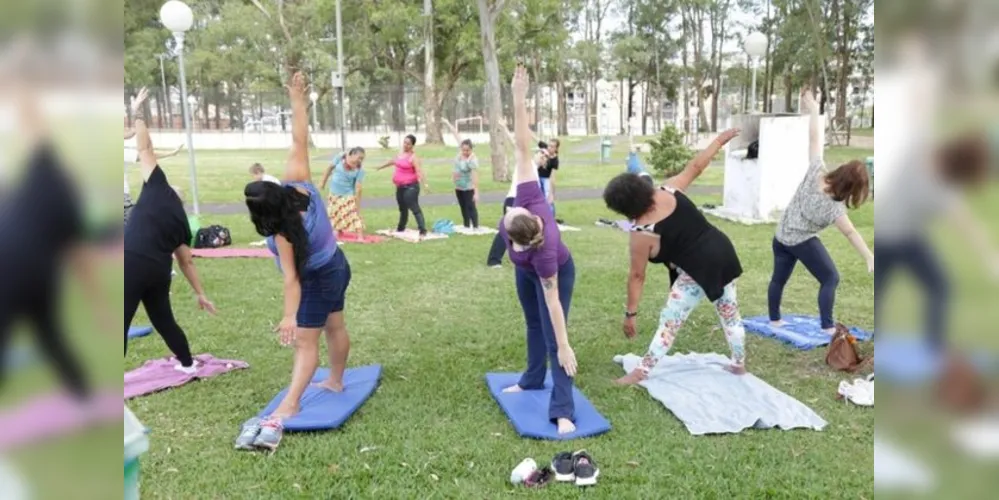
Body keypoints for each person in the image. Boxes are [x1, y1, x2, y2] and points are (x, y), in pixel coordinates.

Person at [240, 72, 353, 451]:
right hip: (338, 265)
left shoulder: (281, 236)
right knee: (335, 325)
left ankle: (292, 401)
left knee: (306, 343)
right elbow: (299, 137)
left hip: (320, 277)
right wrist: (297, 99)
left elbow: (292, 280)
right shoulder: (299, 184)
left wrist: (290, 317)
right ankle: (335, 380)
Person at [604, 127, 746, 385]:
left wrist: (630, 314)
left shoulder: (641, 233)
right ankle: (739, 364)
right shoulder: (668, 189)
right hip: (723, 251)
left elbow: (637, 276)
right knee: (730, 313)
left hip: (696, 269)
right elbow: (696, 166)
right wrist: (718, 141)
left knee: (670, 321)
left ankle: (641, 371)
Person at [0, 85, 113, 403]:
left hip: (15, 271)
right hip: (38, 274)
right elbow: (79, 256)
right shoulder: (52, 178)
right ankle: (83, 394)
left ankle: (83, 394)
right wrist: (99, 306)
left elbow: (78, 252)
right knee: (49, 335)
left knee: (41, 334)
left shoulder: (39, 175)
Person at [499, 65, 579, 435]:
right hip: (524, 271)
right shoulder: (527, 197)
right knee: (531, 323)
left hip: (556, 275)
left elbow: (554, 304)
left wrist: (564, 345)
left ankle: (563, 408)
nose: (509, 207)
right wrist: (518, 96)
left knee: (552, 336)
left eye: (509, 213)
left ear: (519, 241)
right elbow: (521, 144)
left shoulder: (545, 255)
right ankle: (532, 379)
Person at [875, 131, 999, 351]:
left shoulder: (919, 147)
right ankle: (932, 346)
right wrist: (989, 258)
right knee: (938, 287)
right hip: (895, 238)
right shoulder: (940, 188)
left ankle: (931, 345)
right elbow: (966, 225)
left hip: (900, 235)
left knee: (935, 287)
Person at [124, 88, 216, 371]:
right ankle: (187, 364)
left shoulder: (156, 187)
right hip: (159, 273)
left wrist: (138, 111)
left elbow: (144, 148)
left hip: (132, 263)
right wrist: (200, 293)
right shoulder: (181, 222)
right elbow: (185, 260)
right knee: (163, 320)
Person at [768, 89, 875, 335]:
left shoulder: (817, 170)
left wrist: (814, 111)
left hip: (781, 236)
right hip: (800, 241)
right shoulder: (833, 207)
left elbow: (814, 139)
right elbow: (850, 233)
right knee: (830, 278)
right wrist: (868, 256)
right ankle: (827, 327)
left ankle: (774, 320)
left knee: (778, 279)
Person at [377, 134, 430, 237]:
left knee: (414, 207)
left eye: (408, 144)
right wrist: (380, 167)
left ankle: (422, 230)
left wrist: (425, 184)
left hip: (411, 187)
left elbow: (419, 171)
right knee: (402, 208)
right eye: (404, 142)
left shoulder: (413, 157)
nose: (405, 145)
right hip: (400, 186)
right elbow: (393, 161)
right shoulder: (400, 154)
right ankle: (401, 228)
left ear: (412, 145)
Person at [486, 121, 520, 268]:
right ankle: (494, 260)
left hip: (524, 202)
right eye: (541, 154)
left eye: (545, 157)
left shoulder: (537, 172)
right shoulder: (526, 163)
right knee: (506, 230)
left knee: (524, 231)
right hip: (513, 200)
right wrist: (505, 128)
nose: (542, 156)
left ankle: (523, 259)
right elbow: (515, 145)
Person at [320, 147, 367, 237]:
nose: (360, 160)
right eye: (359, 157)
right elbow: (329, 168)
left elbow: (358, 188)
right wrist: (323, 183)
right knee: (335, 213)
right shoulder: (340, 157)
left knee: (353, 214)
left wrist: (357, 203)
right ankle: (338, 231)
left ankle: (360, 236)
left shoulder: (360, 170)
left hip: (348, 194)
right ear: (352, 154)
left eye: (362, 158)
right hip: (334, 192)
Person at [443, 119, 480, 229]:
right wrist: (448, 123)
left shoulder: (472, 160)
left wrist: (476, 192)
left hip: (468, 187)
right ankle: (466, 225)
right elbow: (456, 135)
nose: (465, 152)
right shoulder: (460, 153)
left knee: (470, 206)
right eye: (463, 150)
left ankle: (475, 226)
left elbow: (475, 176)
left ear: (471, 149)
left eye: (467, 150)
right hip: (459, 186)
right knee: (463, 207)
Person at [538, 139, 560, 217]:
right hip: (537, 177)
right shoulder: (545, 149)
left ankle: (551, 218)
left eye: (552, 146)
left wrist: (552, 193)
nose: (549, 148)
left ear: (556, 149)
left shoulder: (555, 160)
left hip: (546, 179)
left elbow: (553, 177)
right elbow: (536, 140)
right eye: (549, 145)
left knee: (548, 199)